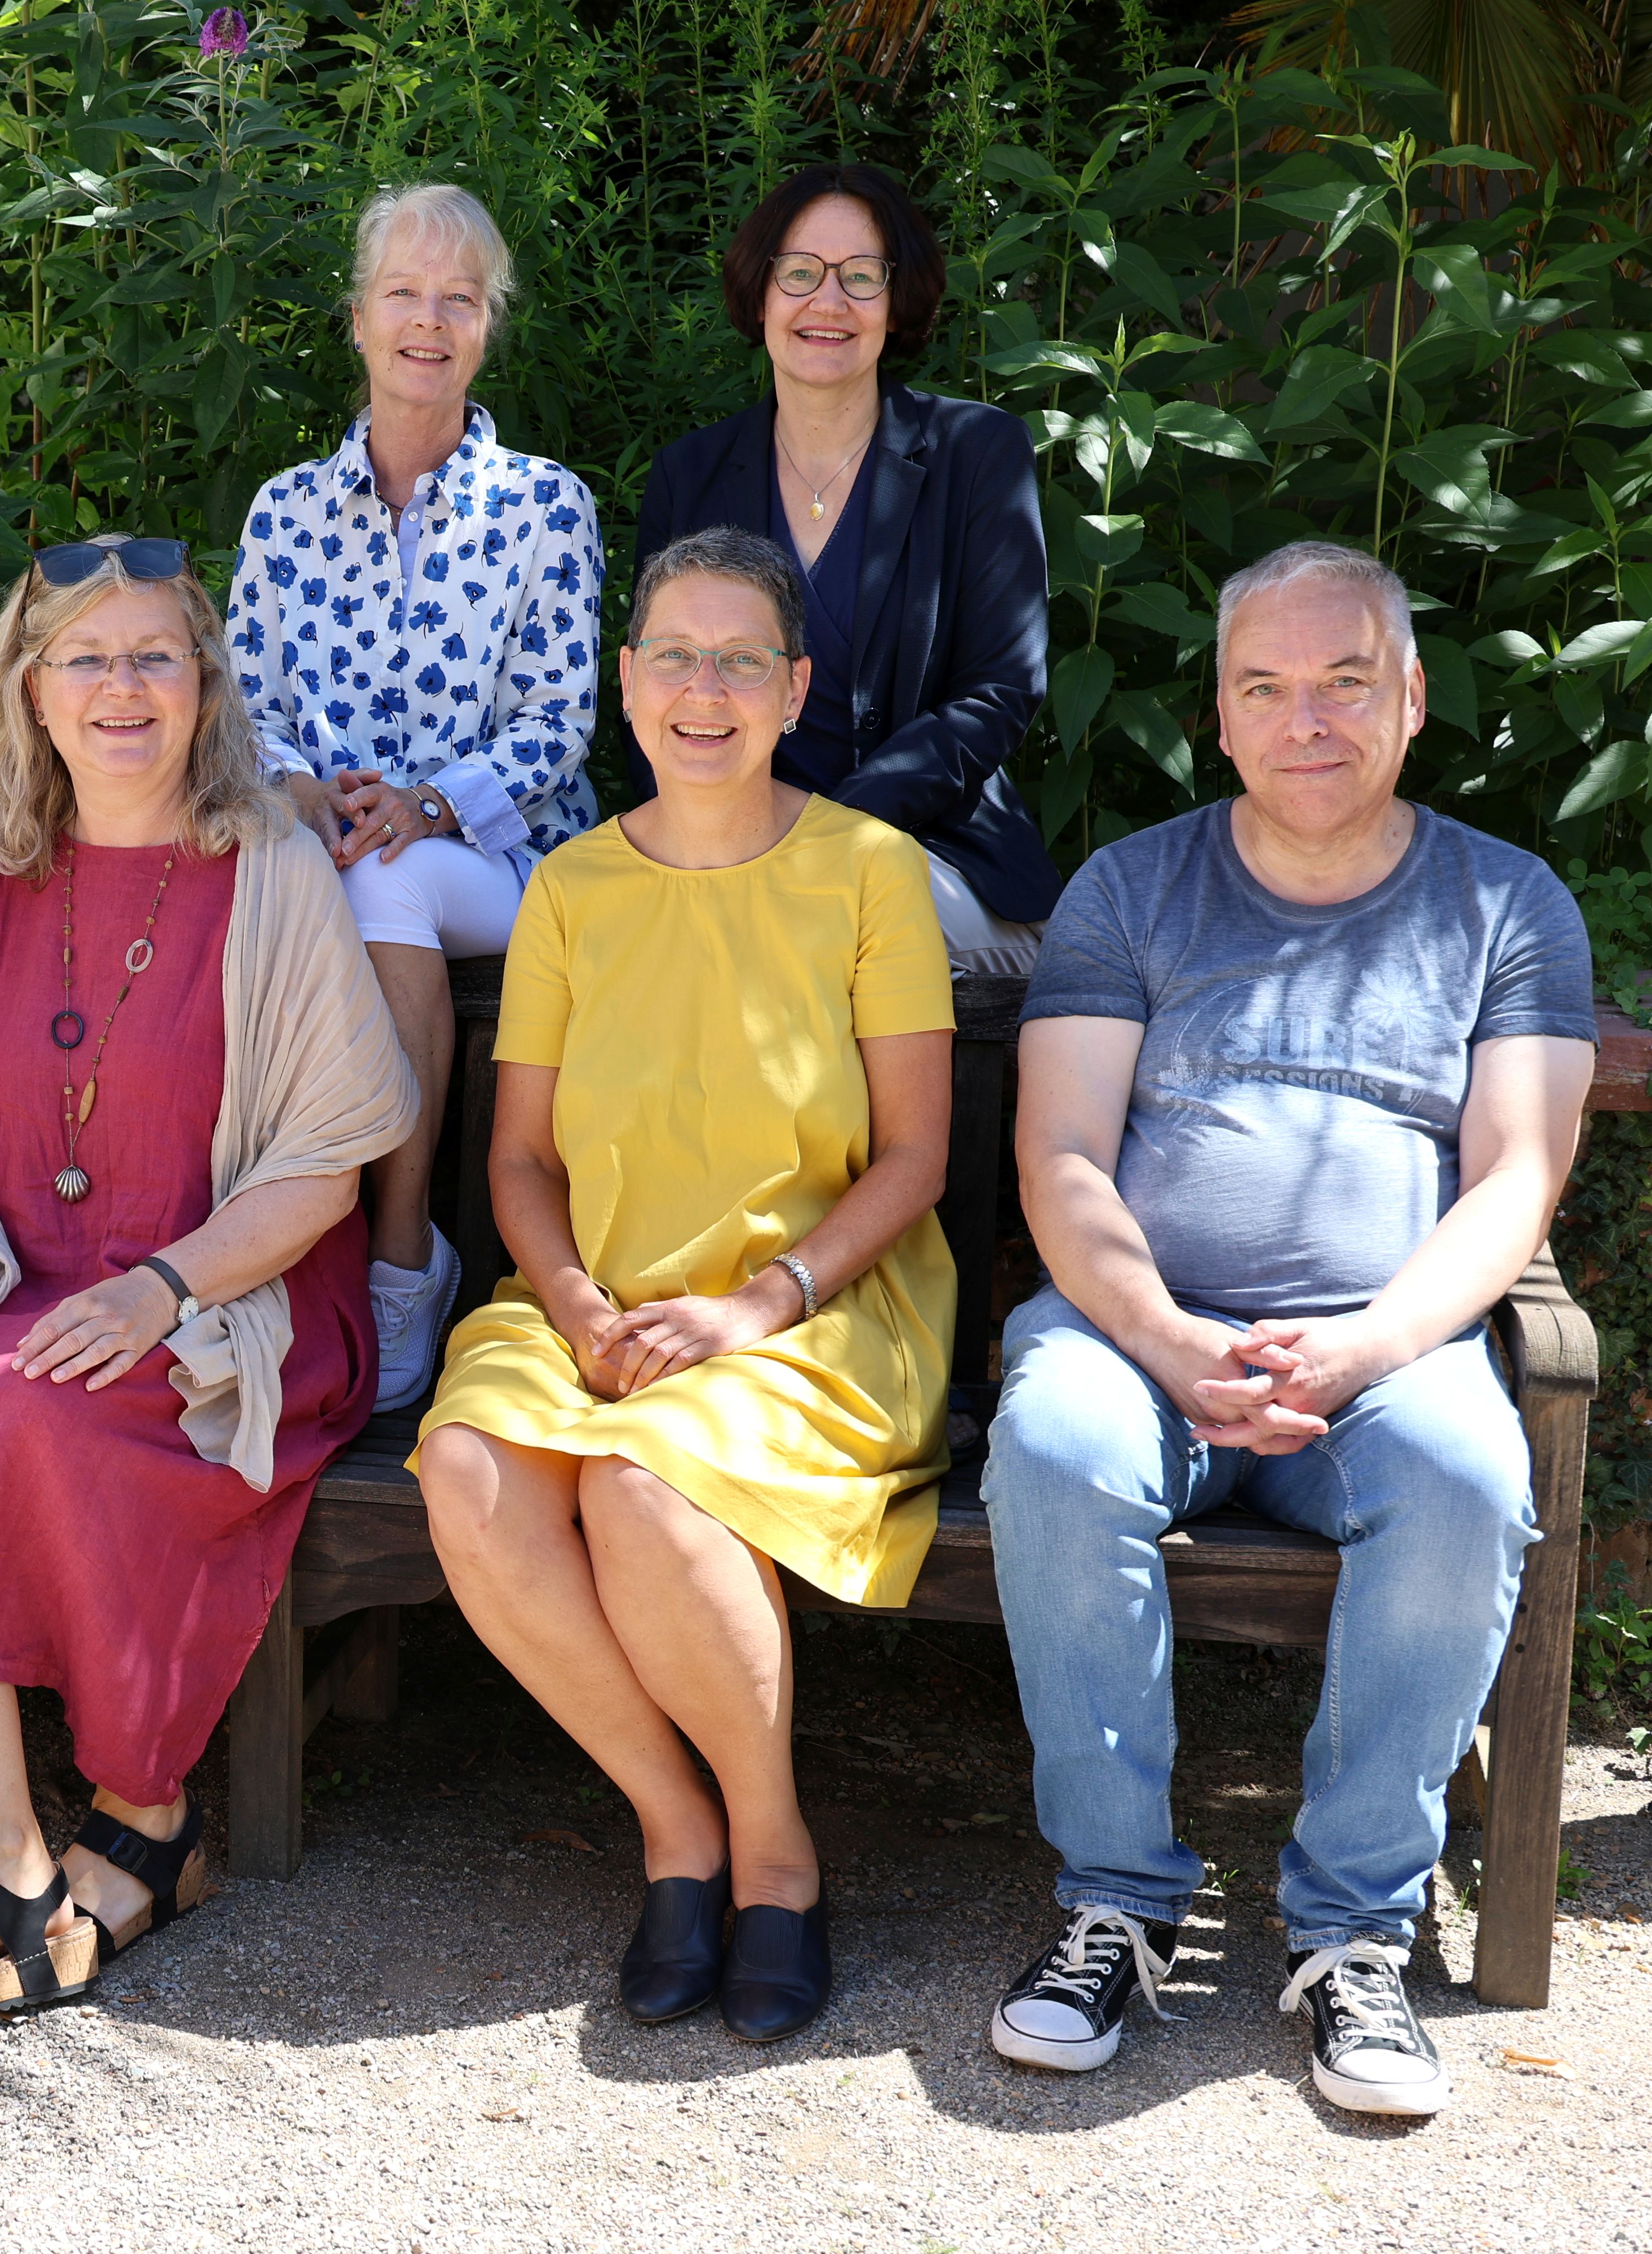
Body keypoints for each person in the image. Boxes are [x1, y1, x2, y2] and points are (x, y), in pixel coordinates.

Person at [980, 540, 1597, 2117]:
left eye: (1343, 683)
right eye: (1266, 686)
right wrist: (1170, 1336)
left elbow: (1517, 1175)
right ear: (1221, 712)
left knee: (1471, 1481)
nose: (1305, 720)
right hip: (1138, 1339)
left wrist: (1372, 1345)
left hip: (1387, 1356)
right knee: (1052, 1445)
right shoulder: (1133, 887)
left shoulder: (1503, 903)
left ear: (1410, 698)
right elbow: (1060, 1157)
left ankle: (1352, 1938)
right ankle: (1116, 1902)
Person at [0, 534, 415, 2039]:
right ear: (35, 695)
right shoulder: (9, 873)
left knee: (16, 1424)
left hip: (229, 1303)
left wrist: (164, 1292)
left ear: (200, 686)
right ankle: (17, 1859)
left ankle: (120, 1825)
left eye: (153, 656)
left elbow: (327, 1163)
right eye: (86, 660)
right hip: (31, 1292)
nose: (122, 687)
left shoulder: (274, 871)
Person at [414, 526, 958, 2046]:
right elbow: (521, 1160)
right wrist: (579, 1304)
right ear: (625, 682)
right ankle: (676, 1825)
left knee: (645, 1485)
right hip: (605, 1294)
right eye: (671, 654)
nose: (701, 687)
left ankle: (776, 1845)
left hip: (822, 1306)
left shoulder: (867, 872)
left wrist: (757, 1305)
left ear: (794, 689)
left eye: (738, 659)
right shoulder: (573, 888)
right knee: (470, 1466)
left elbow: (913, 1157)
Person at [227, 181, 604, 1412]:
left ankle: (400, 1258)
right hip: (324, 845)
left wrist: (433, 802)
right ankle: (267, 1253)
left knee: (389, 872)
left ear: (490, 326)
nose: (428, 323)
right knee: (338, 879)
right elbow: (246, 701)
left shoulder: (548, 506)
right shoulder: (285, 513)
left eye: (459, 300)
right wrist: (297, 786)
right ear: (357, 317)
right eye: (404, 293)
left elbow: (562, 719)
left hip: (509, 861)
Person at [630, 162, 1059, 974]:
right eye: (800, 274)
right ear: (760, 292)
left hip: (934, 858)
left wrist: (816, 836)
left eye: (861, 276)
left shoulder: (978, 455)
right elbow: (658, 690)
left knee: (794, 931)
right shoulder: (689, 476)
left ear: (898, 301)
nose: (829, 303)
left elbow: (1001, 691)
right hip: (728, 856)